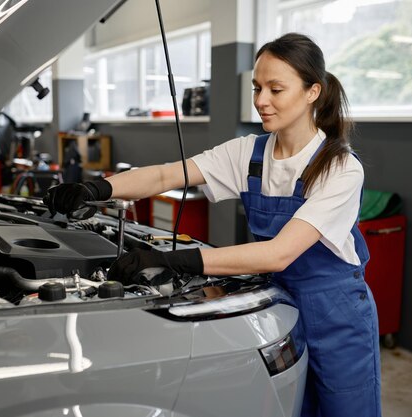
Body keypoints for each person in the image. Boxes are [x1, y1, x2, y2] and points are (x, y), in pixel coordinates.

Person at [45, 32, 381, 417]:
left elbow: (279, 253)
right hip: (279, 302)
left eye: (276, 89)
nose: (260, 101)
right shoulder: (249, 152)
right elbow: (163, 176)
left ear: (312, 92)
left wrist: (176, 260)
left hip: (336, 315)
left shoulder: (339, 167)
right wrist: (95, 187)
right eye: (257, 88)